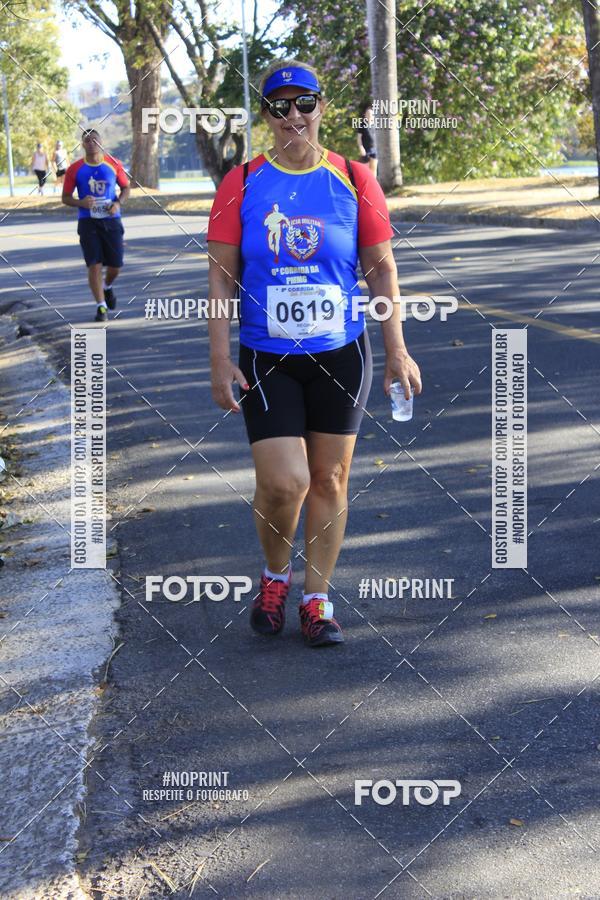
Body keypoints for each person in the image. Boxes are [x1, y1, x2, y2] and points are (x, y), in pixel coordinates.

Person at [207, 59, 421, 648]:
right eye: (280, 107)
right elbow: (222, 279)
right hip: (265, 353)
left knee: (328, 478)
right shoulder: (243, 182)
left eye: (305, 103)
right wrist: (219, 359)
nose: (294, 116)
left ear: (321, 107)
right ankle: (275, 577)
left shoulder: (354, 177)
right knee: (285, 483)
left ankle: (316, 598)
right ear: (267, 115)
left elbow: (381, 270)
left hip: (340, 352)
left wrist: (397, 350)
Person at [62, 128, 130, 322]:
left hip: (111, 221)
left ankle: (107, 287)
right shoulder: (75, 169)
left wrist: (118, 203)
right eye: (87, 140)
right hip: (87, 222)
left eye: (95, 139)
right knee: (94, 264)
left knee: (116, 265)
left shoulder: (113, 164)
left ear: (101, 142)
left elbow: (126, 188)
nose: (91, 143)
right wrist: (80, 202)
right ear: (83, 145)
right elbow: (65, 198)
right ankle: (101, 307)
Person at [356, 102, 378, 175]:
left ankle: (373, 185)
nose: (369, 116)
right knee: (365, 170)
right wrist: (361, 148)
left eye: (371, 114)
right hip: (366, 150)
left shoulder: (376, 125)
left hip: (375, 149)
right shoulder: (362, 125)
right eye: (368, 114)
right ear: (365, 115)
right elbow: (359, 138)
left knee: (374, 169)